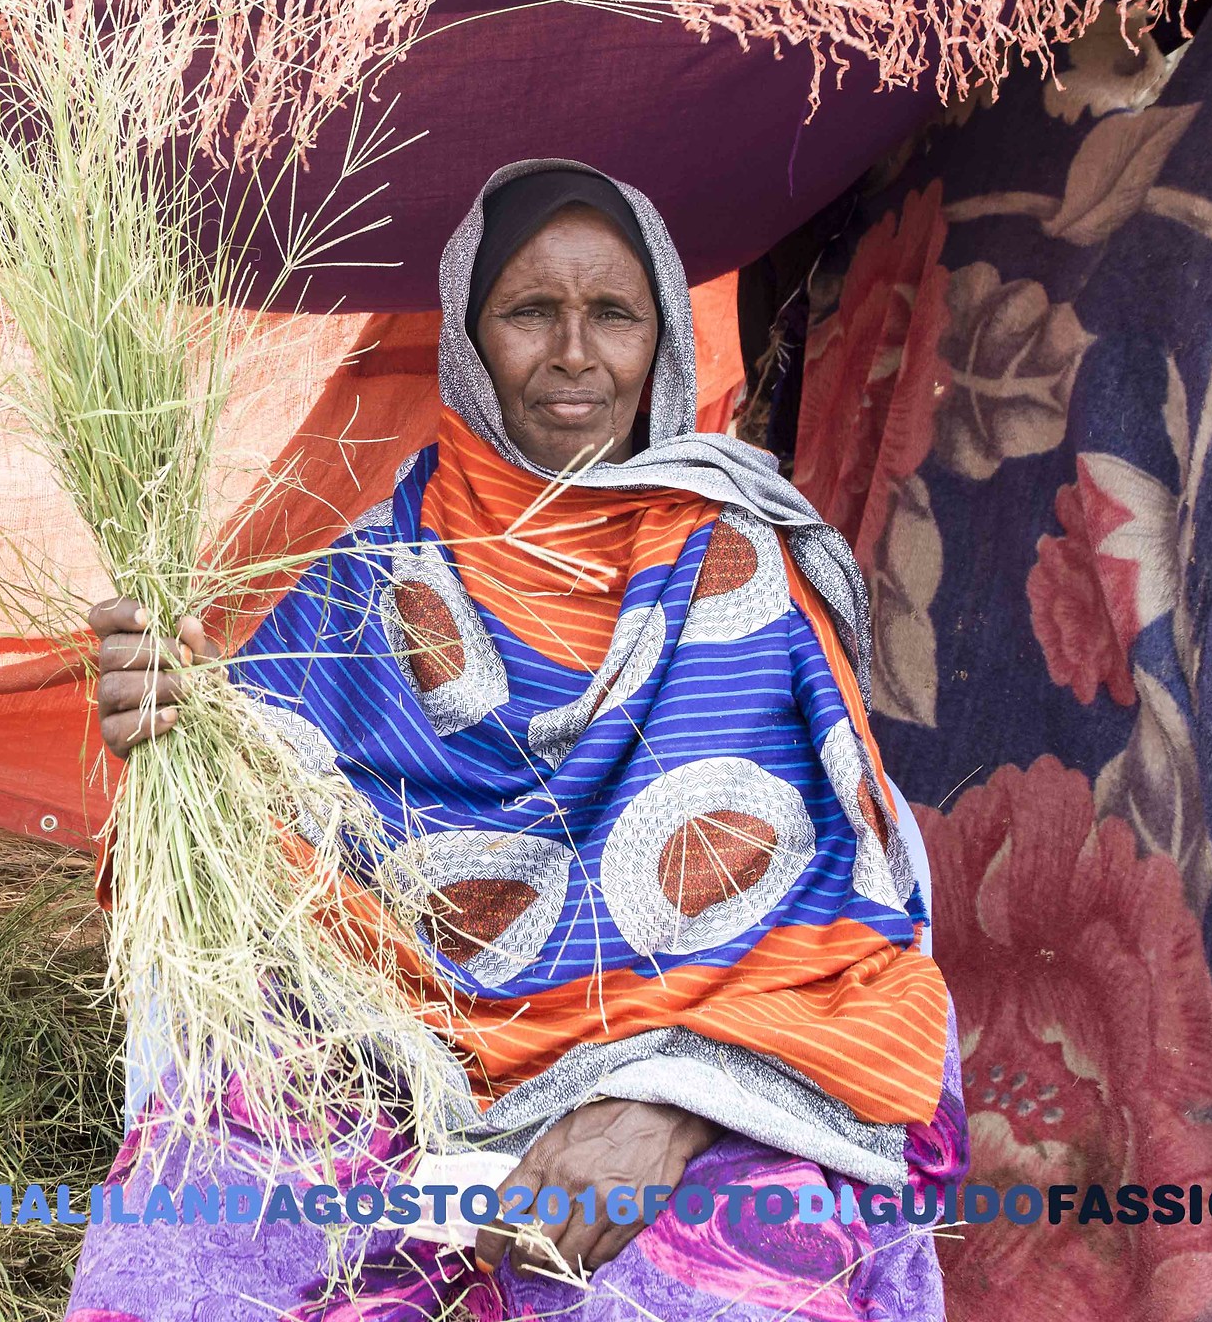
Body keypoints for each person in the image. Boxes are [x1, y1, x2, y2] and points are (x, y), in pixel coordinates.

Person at [66, 162, 966, 1321]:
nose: (577, 354)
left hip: (697, 1056)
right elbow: (238, 853)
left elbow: (833, 906)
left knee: (731, 1280)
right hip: (407, 1059)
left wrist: (666, 1102)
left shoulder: (734, 565)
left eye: (617, 314)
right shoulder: (377, 571)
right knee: (186, 1263)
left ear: (666, 340)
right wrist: (173, 733)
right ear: (470, 340)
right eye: (532, 311)